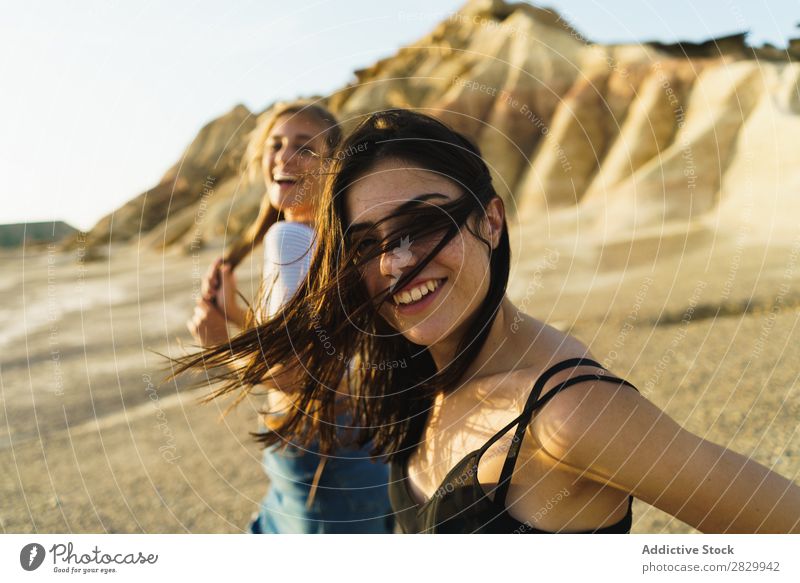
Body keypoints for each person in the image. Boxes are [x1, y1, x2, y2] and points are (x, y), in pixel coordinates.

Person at [179, 109, 800, 534]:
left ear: (491, 220)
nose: (396, 263)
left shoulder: (569, 415)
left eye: (421, 224)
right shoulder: (414, 369)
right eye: (367, 244)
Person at [186, 100, 393, 534]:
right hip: (360, 454)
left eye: (305, 147)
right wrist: (240, 317)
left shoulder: (290, 238)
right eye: (276, 144)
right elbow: (315, 344)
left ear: (333, 167)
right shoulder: (338, 242)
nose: (283, 156)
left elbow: (295, 375)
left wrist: (220, 343)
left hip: (317, 462)